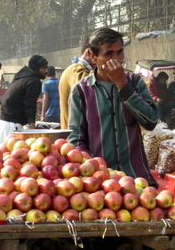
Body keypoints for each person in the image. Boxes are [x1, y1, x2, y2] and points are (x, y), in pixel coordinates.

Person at [67, 28, 158, 186]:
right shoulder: (81, 91)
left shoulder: (134, 83)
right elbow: (76, 140)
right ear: (93, 57)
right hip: (100, 184)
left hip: (137, 180)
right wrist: (97, 169)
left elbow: (151, 121)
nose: (116, 60)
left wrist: (122, 85)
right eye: (109, 54)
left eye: (119, 52)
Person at [0, 55, 48, 147]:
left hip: (1, 124)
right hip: (12, 127)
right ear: (37, 68)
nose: (46, 71)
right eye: (44, 68)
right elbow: (30, 104)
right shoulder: (33, 81)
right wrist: (32, 129)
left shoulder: (20, 77)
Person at [59, 40, 94, 129]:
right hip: (74, 137)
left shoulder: (82, 70)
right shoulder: (75, 69)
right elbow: (87, 86)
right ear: (89, 53)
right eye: (108, 54)